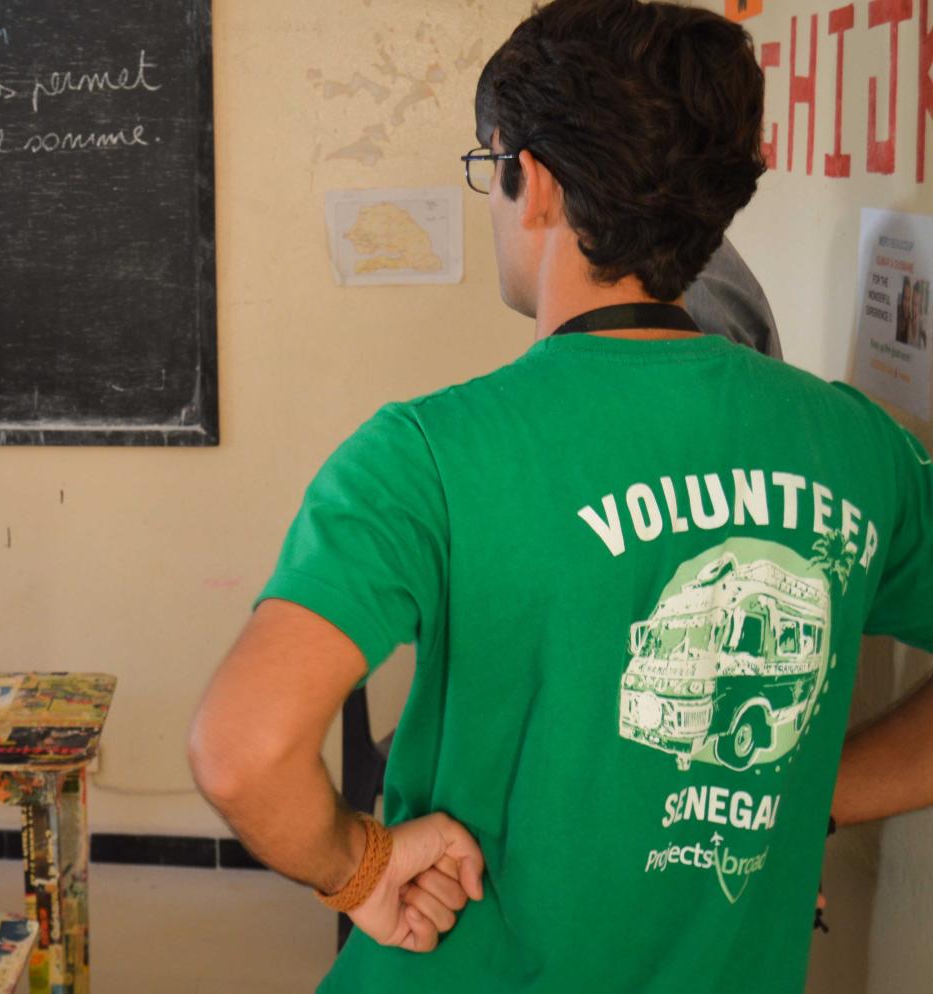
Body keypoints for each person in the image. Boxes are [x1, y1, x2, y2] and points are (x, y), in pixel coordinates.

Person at [189, 1, 933, 991]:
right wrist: (800, 793)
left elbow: (243, 748)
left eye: (485, 168)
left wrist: (358, 866)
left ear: (526, 178)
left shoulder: (425, 453)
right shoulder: (856, 444)